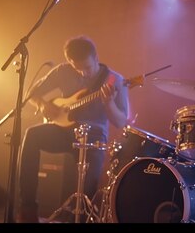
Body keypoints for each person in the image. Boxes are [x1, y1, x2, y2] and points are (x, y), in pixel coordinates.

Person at [15, 35, 130, 223]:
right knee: (32, 135)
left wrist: (108, 103)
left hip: (94, 135)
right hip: (64, 130)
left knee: (87, 191)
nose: (83, 73)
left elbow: (120, 121)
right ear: (69, 62)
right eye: (77, 68)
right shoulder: (62, 71)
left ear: (96, 58)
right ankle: (27, 207)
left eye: (87, 68)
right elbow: (31, 94)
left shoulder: (114, 79)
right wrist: (44, 105)